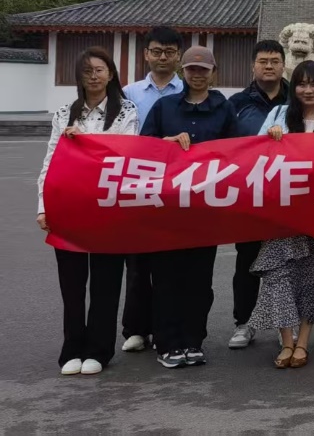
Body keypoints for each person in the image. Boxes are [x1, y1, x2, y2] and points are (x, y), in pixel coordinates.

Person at [36, 47, 139, 375]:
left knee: (106, 282)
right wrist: (43, 206)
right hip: (69, 207)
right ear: (79, 77)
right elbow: (50, 162)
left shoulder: (126, 111)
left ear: (111, 74)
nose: (93, 76)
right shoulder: (64, 113)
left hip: (109, 208)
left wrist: (85, 141)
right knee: (72, 283)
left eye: (99, 70)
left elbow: (124, 155)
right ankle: (72, 348)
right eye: (87, 71)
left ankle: (99, 349)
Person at [139, 45, 238, 368]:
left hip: (205, 210)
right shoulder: (164, 107)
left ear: (213, 73)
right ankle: (167, 342)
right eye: (192, 69)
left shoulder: (224, 109)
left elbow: (238, 153)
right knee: (166, 278)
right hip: (167, 209)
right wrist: (164, 144)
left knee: (199, 280)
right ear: (182, 71)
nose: (197, 75)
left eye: (203, 70)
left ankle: (194, 340)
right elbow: (142, 149)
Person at [249, 60, 314, 369]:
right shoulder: (278, 115)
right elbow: (254, 155)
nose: (308, 90)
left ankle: (302, 343)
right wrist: (270, 137)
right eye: (302, 84)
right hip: (281, 214)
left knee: (312, 278)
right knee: (278, 277)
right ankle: (285, 341)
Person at [119, 26, 184, 354]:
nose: (162, 58)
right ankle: (135, 329)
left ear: (178, 56)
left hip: (176, 189)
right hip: (138, 184)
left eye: (169, 52)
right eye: (157, 51)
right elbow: (118, 135)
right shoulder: (129, 93)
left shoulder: (188, 90)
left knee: (171, 265)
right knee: (137, 263)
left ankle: (164, 327)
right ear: (146, 54)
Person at [224, 39, 288, 351]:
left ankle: (284, 324)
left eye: (275, 61)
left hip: (286, 193)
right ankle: (244, 322)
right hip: (248, 192)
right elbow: (224, 145)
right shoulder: (236, 103)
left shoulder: (296, 99)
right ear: (253, 65)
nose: (269, 66)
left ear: (283, 65)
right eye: (263, 61)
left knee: (285, 261)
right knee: (247, 261)